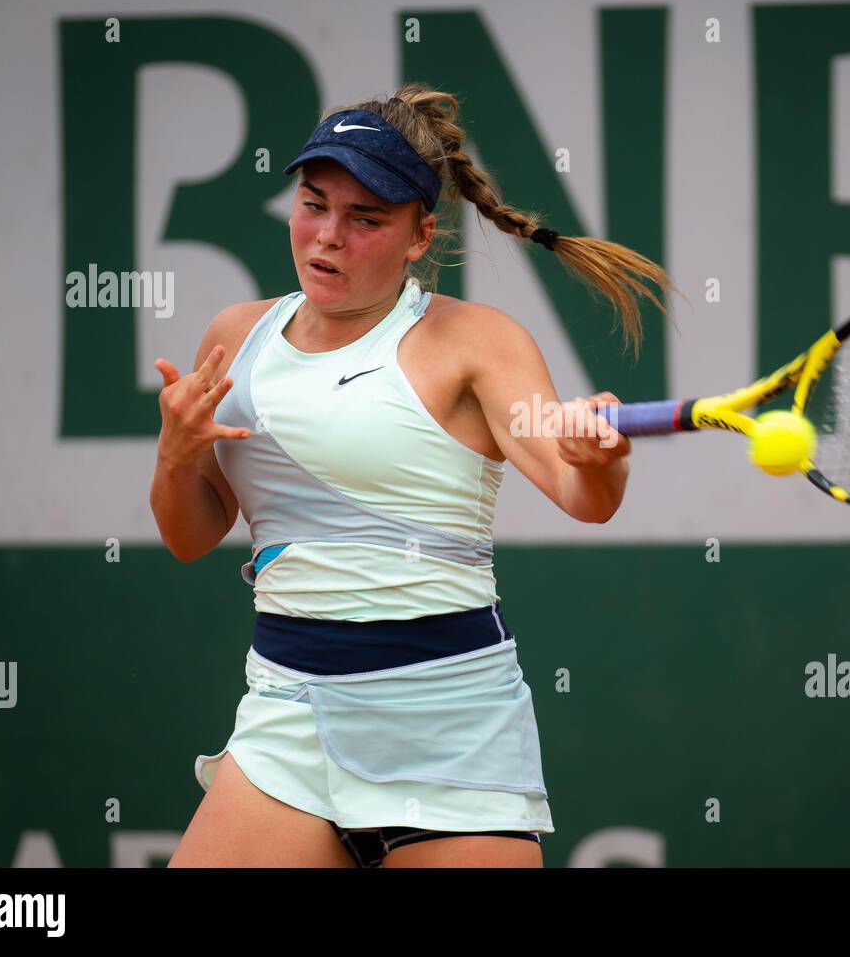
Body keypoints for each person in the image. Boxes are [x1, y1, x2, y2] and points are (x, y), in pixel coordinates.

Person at [149, 85, 680, 868]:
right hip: (289, 719)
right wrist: (176, 451)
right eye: (313, 203)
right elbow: (190, 536)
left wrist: (601, 459)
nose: (328, 237)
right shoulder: (237, 337)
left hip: (450, 730)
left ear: (419, 234)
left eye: (366, 219)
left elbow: (582, 497)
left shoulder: (476, 342)